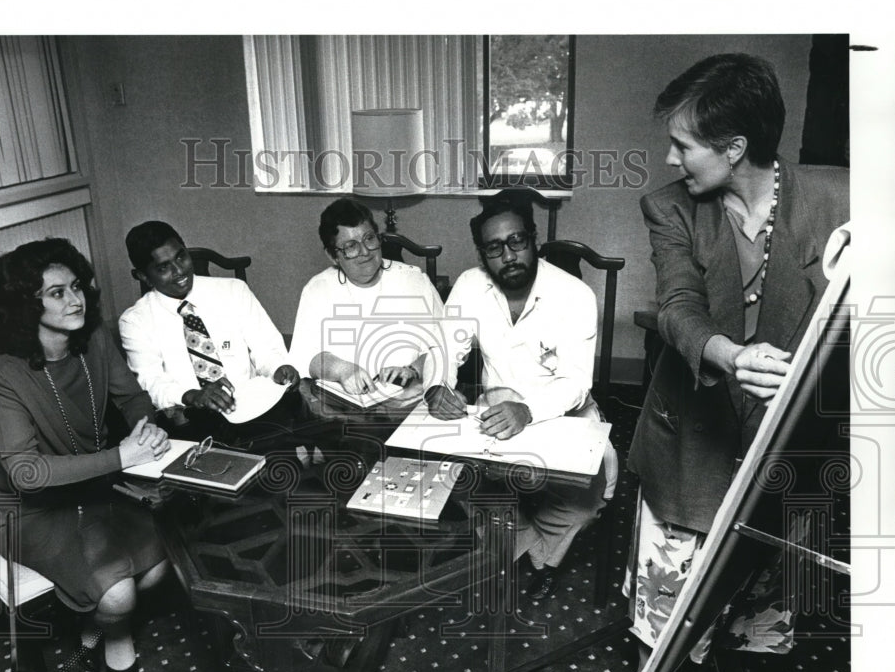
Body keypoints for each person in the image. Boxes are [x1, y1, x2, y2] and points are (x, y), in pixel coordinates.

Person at [625, 53, 849, 672]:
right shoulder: (670, 209)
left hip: (781, 451)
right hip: (690, 444)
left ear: (734, 148)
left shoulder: (843, 200)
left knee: (746, 611)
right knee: (664, 628)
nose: (670, 160)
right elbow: (676, 308)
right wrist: (731, 356)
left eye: (682, 145)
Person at [0, 238, 173, 672]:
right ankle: (109, 633)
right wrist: (122, 456)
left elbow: (130, 397)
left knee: (164, 562)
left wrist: (146, 429)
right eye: (56, 292)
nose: (75, 299)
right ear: (24, 306)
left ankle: (95, 625)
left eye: (76, 286)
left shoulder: (96, 338)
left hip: (95, 487)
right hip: (30, 509)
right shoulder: (2, 374)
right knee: (120, 591)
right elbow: (26, 473)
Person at [425, 189, 617, 599]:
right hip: (494, 418)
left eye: (517, 242)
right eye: (494, 248)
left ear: (533, 240)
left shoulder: (574, 294)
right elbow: (443, 349)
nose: (509, 255)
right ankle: (525, 543)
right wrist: (437, 387)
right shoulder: (469, 285)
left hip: (564, 417)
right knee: (452, 480)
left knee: (584, 507)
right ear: (481, 255)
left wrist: (528, 410)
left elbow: (577, 381)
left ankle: (539, 558)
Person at [119, 221, 299, 443]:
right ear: (143, 276)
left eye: (180, 257)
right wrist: (192, 395)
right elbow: (150, 382)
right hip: (191, 423)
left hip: (254, 411)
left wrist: (277, 367)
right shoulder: (135, 321)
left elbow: (265, 347)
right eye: (163, 268)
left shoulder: (234, 291)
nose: (179, 271)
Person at [288, 198, 444, 399]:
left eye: (369, 238)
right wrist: (340, 369)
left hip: (409, 401)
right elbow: (303, 356)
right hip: (342, 408)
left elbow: (444, 347)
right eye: (351, 246)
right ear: (333, 256)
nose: (365, 252)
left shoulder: (415, 280)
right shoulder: (317, 289)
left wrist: (413, 370)